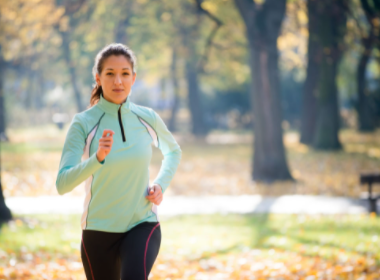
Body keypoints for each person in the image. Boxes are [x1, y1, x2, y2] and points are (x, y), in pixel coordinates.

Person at [55, 43, 182, 280]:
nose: (118, 82)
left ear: (133, 78)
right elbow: (62, 183)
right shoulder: (83, 123)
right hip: (97, 231)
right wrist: (97, 159)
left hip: (142, 223)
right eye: (110, 74)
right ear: (98, 78)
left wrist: (160, 185)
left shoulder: (147, 118)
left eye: (125, 74)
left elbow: (173, 152)